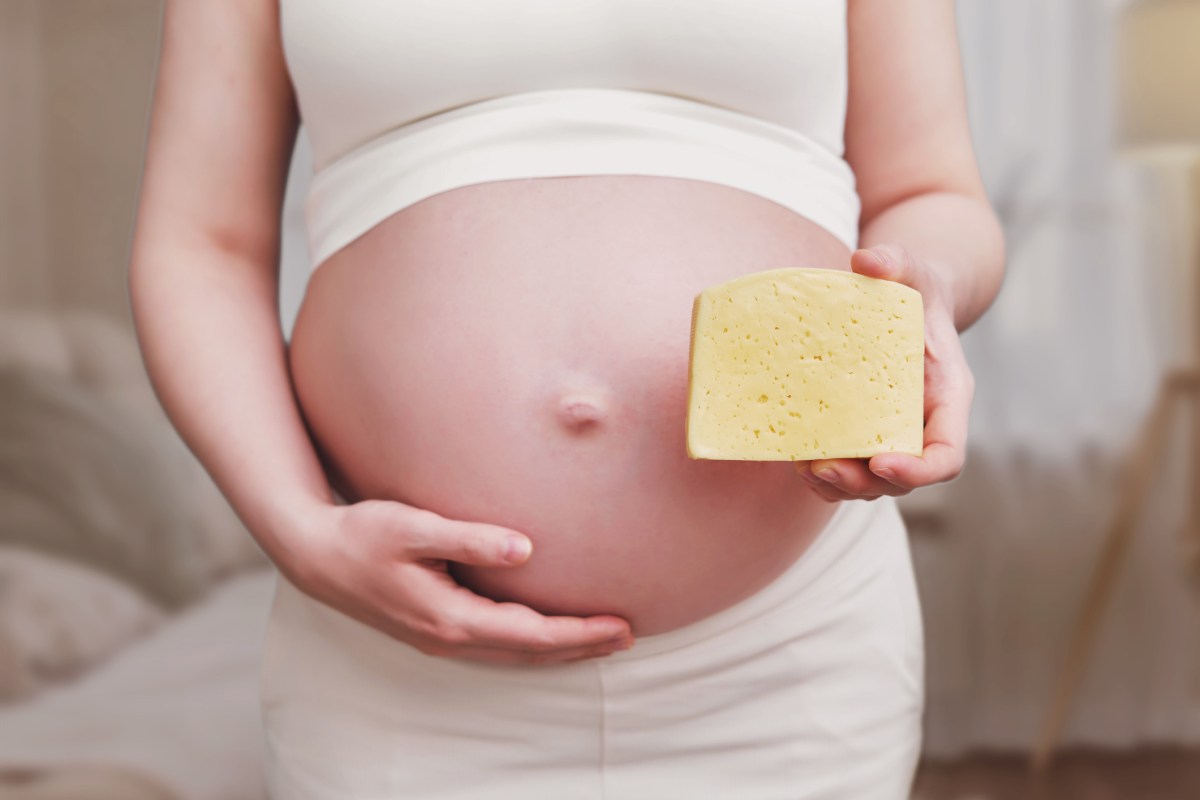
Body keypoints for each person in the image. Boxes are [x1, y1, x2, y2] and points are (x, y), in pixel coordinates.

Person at [128, 1, 1005, 797]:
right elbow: (202, 243)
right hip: (396, 673)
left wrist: (921, 289)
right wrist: (297, 531)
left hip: (786, 653)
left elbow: (932, 194)